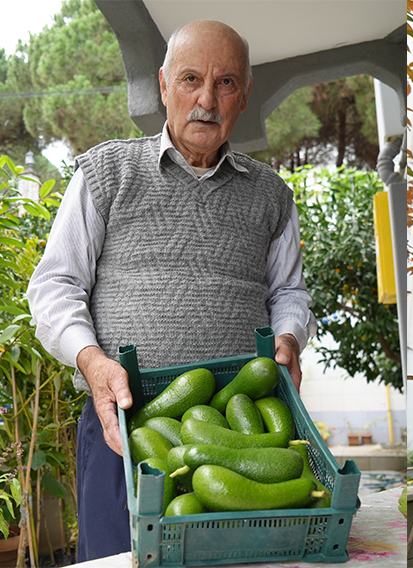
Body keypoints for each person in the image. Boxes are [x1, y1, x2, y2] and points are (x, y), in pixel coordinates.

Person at [26, 20, 317, 561]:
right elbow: (54, 285)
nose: (206, 99)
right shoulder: (107, 172)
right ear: (163, 86)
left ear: (245, 95)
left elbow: (289, 294)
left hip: (241, 432)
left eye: (226, 83)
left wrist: (290, 338)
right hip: (123, 426)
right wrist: (91, 362)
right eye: (189, 80)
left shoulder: (271, 195)